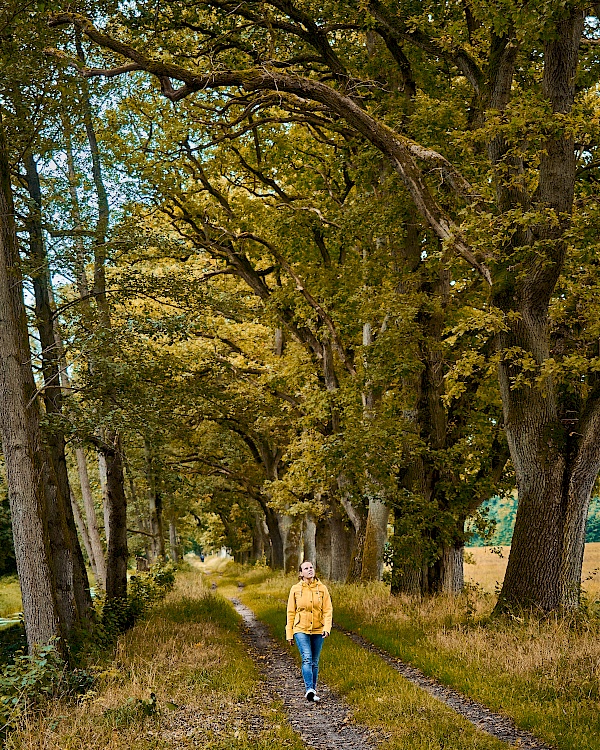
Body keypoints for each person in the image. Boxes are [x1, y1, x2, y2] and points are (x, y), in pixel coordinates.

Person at [286, 560, 333, 703]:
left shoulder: (322, 588)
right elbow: (290, 612)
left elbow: (328, 610)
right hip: (300, 629)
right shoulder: (295, 589)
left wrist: (327, 628)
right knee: (307, 657)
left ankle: (313, 690)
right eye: (306, 568)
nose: (310, 570)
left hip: (318, 629)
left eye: (311, 567)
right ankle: (309, 689)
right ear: (301, 573)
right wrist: (289, 633)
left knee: (315, 661)